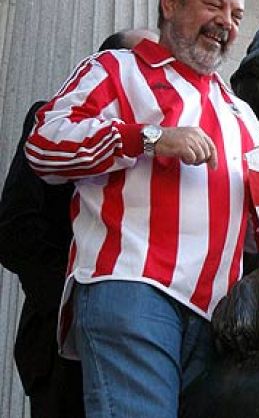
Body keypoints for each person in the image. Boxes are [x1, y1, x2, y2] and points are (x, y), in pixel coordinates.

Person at [24, 0, 259, 417]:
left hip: (218, 317)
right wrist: (148, 137)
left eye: (236, 15)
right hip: (134, 291)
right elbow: (44, 144)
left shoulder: (242, 114)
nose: (226, 24)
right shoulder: (116, 70)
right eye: (214, 6)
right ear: (170, 2)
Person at [0, 28, 156, 418]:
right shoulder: (48, 128)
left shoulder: (168, 142)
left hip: (153, 339)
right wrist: (81, 301)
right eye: (146, 62)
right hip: (67, 346)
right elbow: (16, 229)